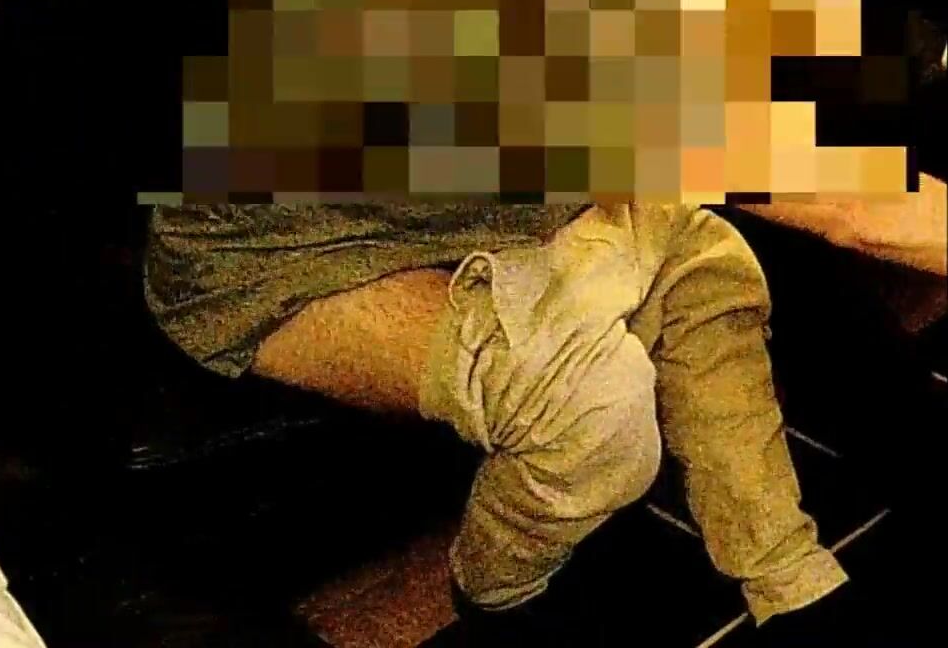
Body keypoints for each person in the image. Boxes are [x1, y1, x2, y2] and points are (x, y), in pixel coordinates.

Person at [144, 202, 851, 643]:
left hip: (474, 206)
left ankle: (786, 575)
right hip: (269, 262)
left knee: (704, 265)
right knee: (591, 403)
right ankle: (498, 595)